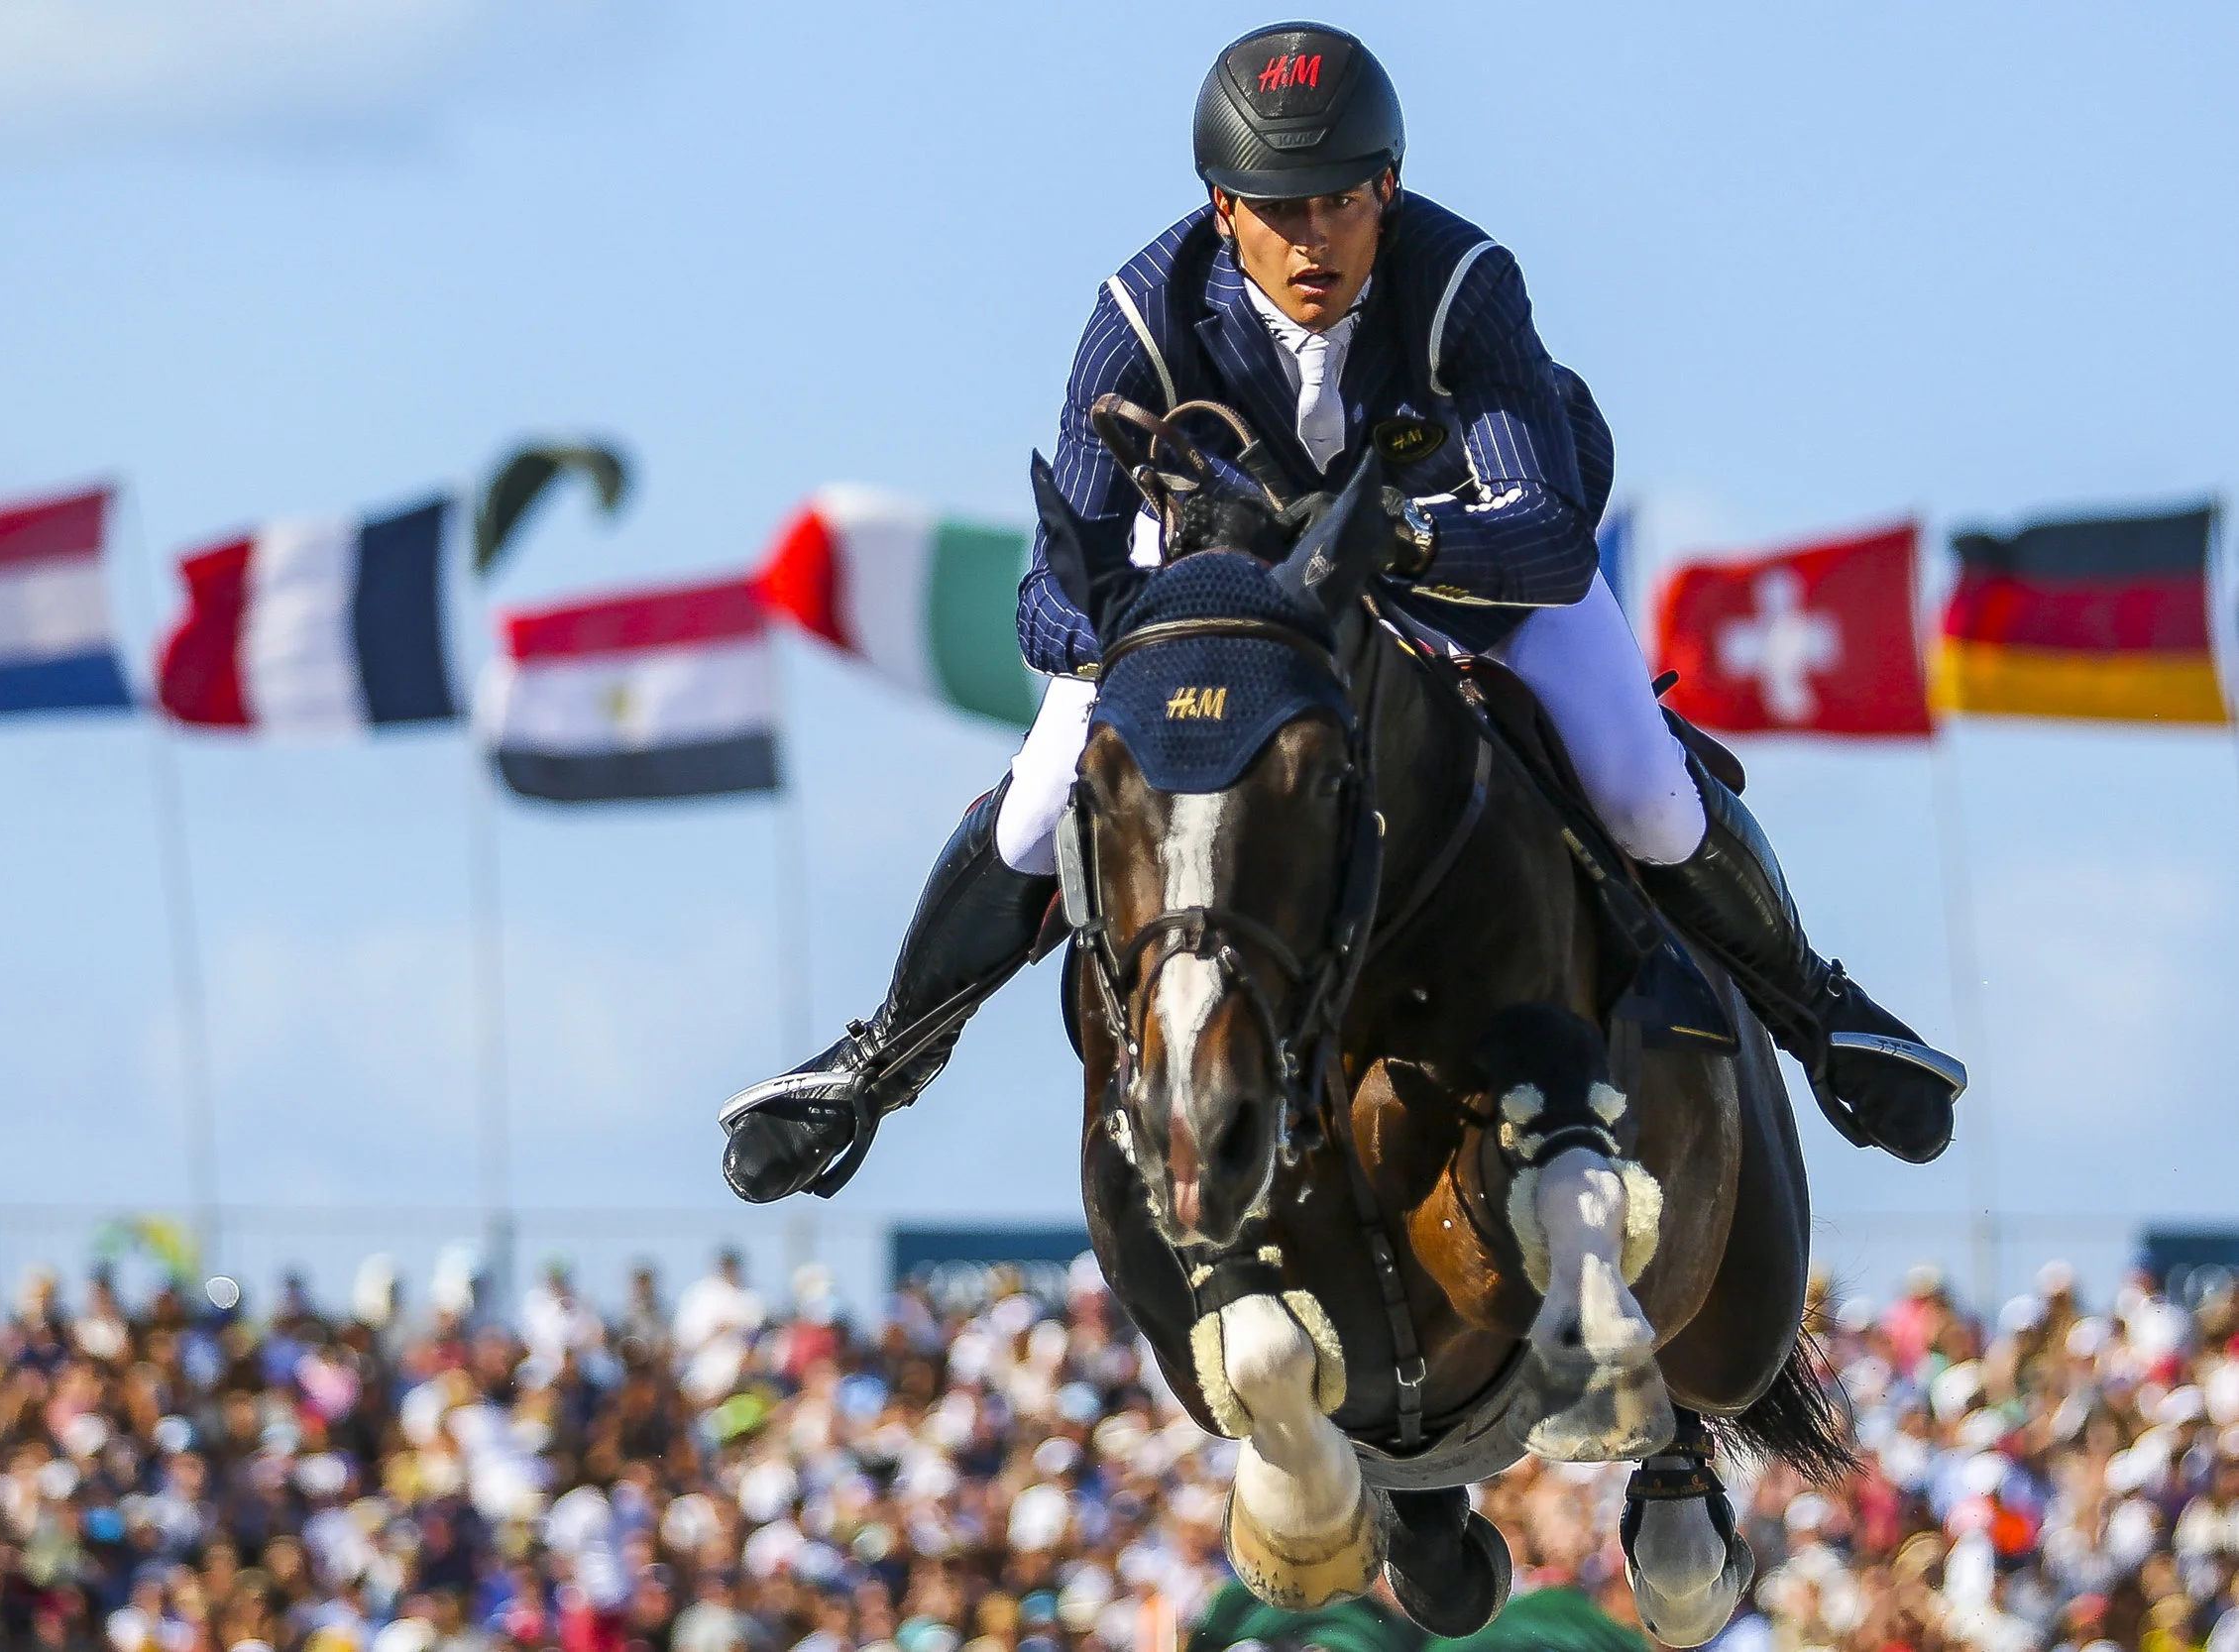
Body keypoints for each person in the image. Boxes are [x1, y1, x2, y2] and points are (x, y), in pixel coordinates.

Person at [721, 21, 1965, 1205]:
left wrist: (1395, 541)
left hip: (1469, 570)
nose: (1311, 240)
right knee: (1042, 809)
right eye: (1277, 210)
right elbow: (1048, 598)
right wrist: (1158, 623)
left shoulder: (1459, 281)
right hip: (1219, 599)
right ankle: (876, 1062)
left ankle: (1822, 1014)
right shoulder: (1142, 315)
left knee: (1641, 786)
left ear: (1389, 187)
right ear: (1224, 211)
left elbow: (1538, 531)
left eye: (1340, 200)